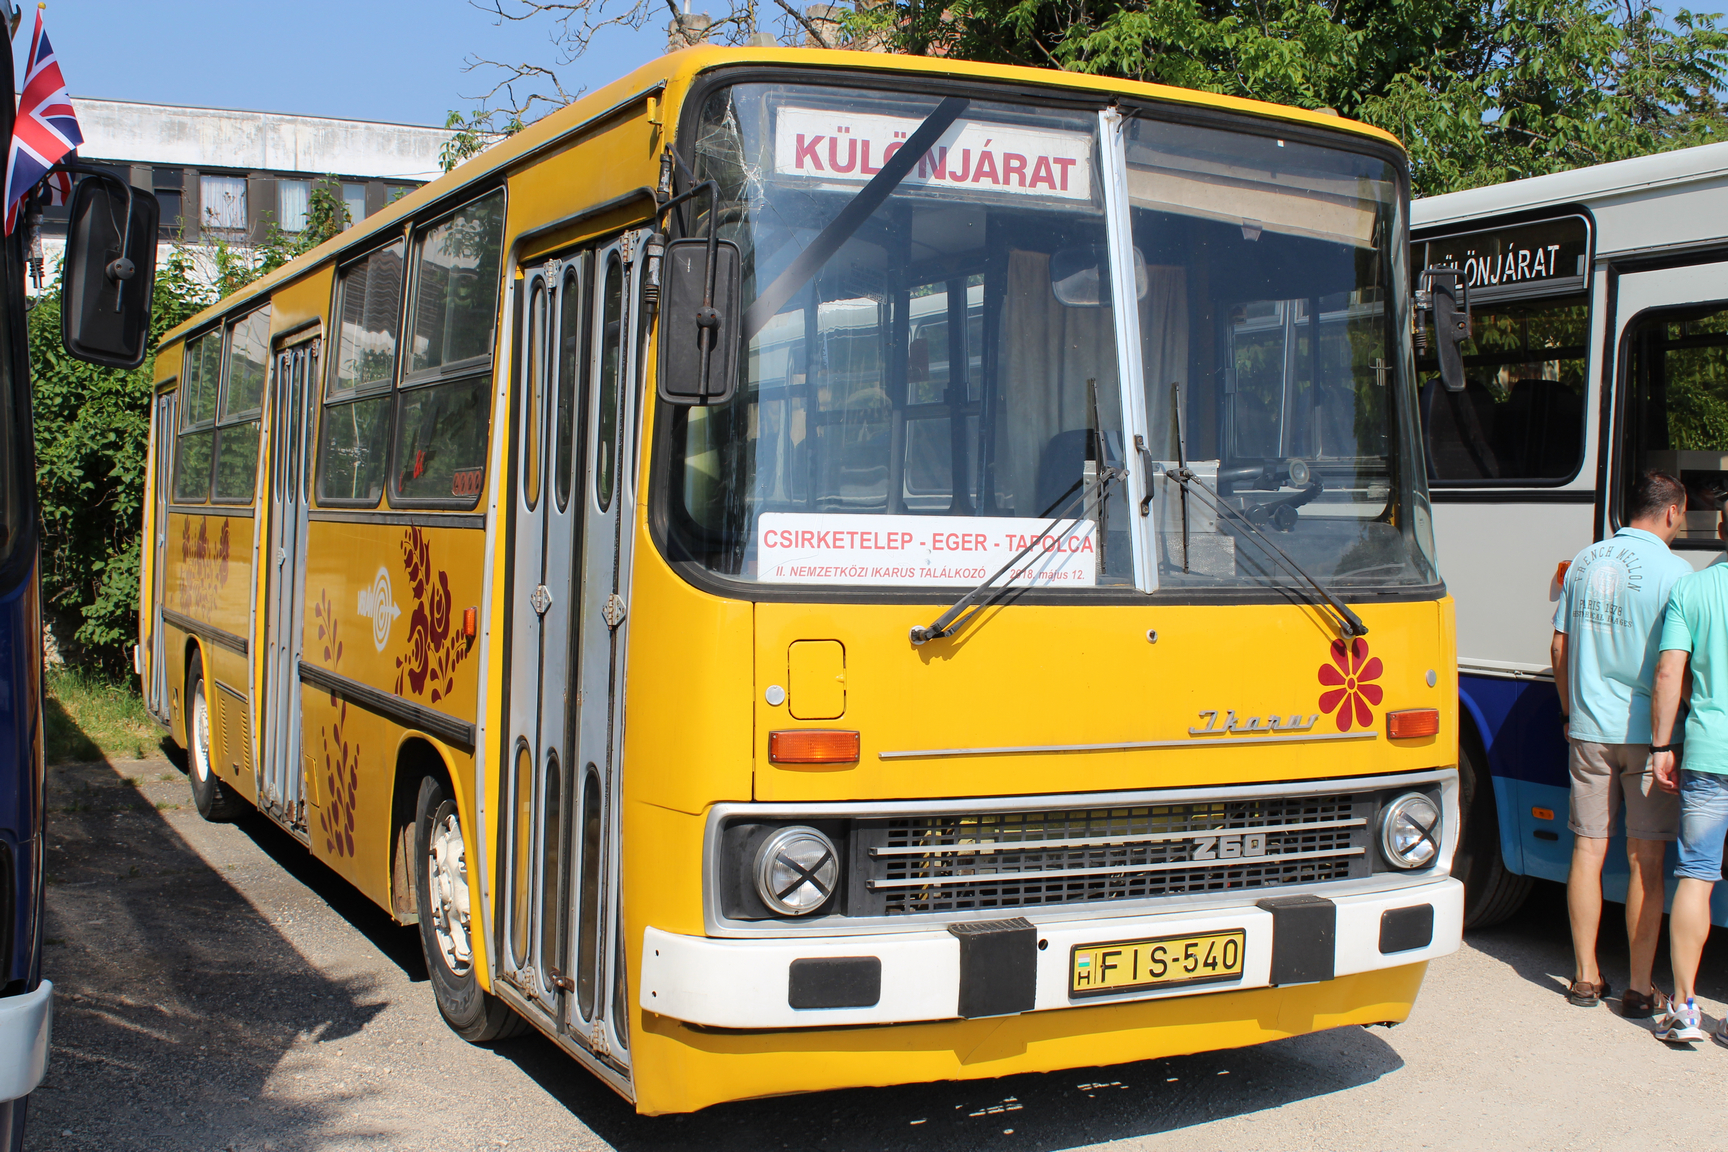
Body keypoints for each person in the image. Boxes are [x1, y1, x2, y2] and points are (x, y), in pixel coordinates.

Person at [1551, 470, 1690, 1015]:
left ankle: (1585, 977)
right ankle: (1638, 987)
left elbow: (1559, 648)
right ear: (1672, 512)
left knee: (1588, 850)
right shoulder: (1676, 572)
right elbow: (1674, 665)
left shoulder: (1585, 561)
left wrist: (1569, 711)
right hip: (1649, 737)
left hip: (1588, 729)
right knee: (1645, 859)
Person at [1650, 502, 1728, 1044]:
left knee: (1696, 876)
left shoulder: (1692, 590)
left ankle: (1684, 1008)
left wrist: (1662, 745)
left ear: (1720, 529)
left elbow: (1669, 670)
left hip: (1708, 751)